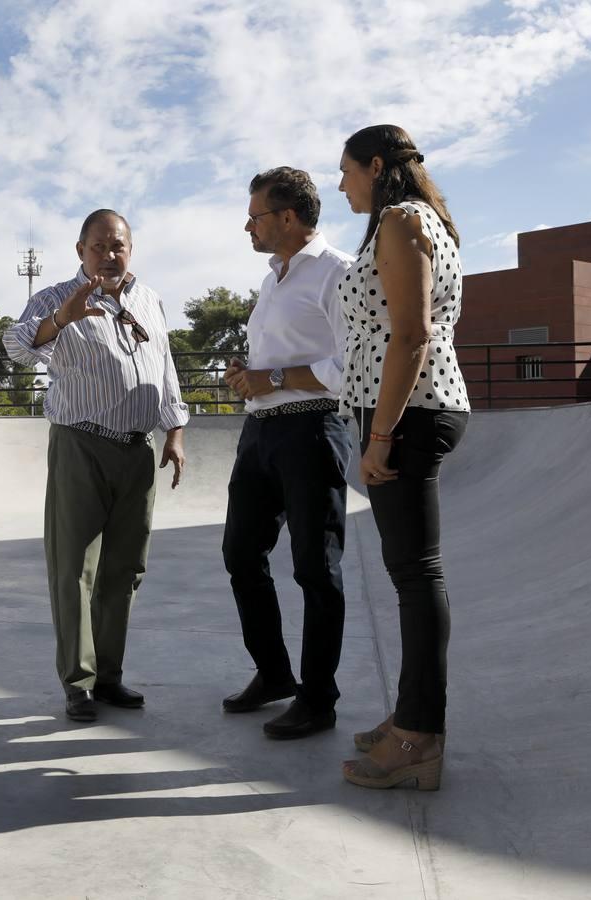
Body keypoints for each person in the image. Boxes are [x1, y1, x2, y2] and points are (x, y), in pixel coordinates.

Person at [2, 209, 187, 723]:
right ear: (80, 250)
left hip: (138, 450)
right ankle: (77, 681)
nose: (110, 254)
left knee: (125, 570)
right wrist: (62, 318)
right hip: (81, 445)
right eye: (100, 246)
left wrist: (174, 430)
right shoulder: (54, 298)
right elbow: (15, 347)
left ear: (131, 248)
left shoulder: (149, 299)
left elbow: (164, 365)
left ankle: (109, 676)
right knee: (74, 570)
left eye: (119, 245)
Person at [335, 125, 470, 791]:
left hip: (408, 415)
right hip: (408, 411)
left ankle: (417, 737)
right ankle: (409, 717)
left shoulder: (399, 220)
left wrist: (379, 436)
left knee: (415, 577)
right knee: (411, 575)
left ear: (376, 165)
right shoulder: (421, 219)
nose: (340, 185)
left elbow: (410, 334)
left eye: (346, 172)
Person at [220, 167, 355, 739]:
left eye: (256, 216)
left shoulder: (340, 274)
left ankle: (318, 700)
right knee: (240, 555)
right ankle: (275, 674)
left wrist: (272, 377)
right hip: (261, 435)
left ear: (290, 218)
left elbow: (352, 368)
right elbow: (275, 367)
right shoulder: (274, 279)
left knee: (314, 569)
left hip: (313, 431)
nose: (247, 225)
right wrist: (250, 380)